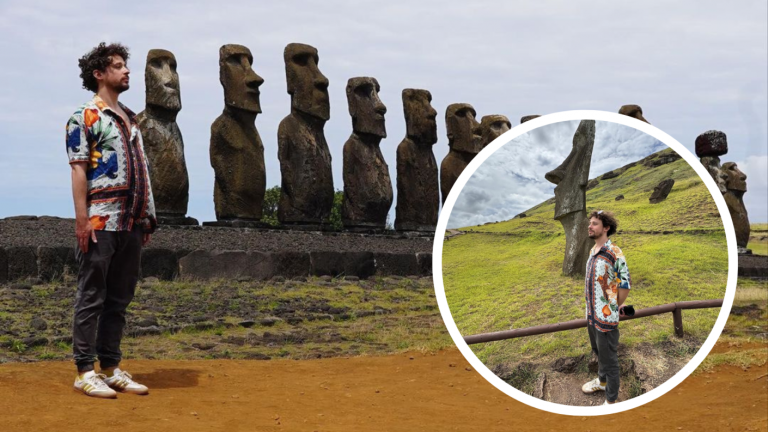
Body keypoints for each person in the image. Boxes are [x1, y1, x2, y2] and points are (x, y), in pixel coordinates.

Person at [65, 42, 157, 398]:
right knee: (92, 296)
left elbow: (142, 170)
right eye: (117, 66)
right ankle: (84, 370)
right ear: (99, 74)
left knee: (119, 298)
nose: (126, 71)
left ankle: (110, 366)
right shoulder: (84, 117)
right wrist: (81, 221)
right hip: (100, 221)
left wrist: (146, 217)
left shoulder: (132, 119)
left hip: (131, 222)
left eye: (125, 65)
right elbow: (78, 170)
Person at [580, 210, 631, 405]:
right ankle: (602, 382)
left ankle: (611, 400)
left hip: (606, 318)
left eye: (594, 224)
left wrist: (613, 305)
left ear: (606, 228)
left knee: (610, 360)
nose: (590, 227)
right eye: (590, 223)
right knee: (599, 352)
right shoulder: (593, 251)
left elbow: (624, 284)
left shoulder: (614, 252)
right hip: (592, 316)